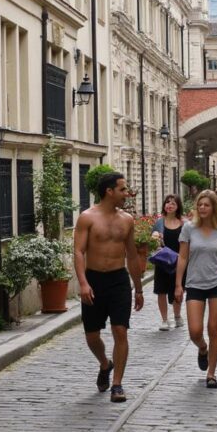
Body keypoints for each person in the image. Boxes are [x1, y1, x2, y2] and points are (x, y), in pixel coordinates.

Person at [73, 173, 144, 403]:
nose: (127, 194)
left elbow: (132, 255)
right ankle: (105, 363)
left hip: (119, 280)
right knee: (92, 335)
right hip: (94, 280)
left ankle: (117, 384)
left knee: (120, 330)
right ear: (109, 191)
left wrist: (138, 289)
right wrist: (83, 283)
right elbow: (78, 251)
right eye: (122, 189)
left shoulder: (127, 220)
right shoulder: (87, 217)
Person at [174, 190, 217, 389]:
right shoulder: (189, 228)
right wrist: (178, 284)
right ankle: (202, 348)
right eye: (200, 205)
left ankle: (211, 373)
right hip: (195, 283)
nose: (202, 208)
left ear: (214, 207)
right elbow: (182, 257)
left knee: (214, 329)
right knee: (195, 331)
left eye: (206, 205)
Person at [151, 194, 185, 331]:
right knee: (161, 291)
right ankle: (164, 319)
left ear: (178, 207)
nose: (169, 205)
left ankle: (177, 315)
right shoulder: (159, 222)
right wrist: (156, 240)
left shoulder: (183, 224)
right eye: (167, 202)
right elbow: (153, 244)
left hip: (179, 262)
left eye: (173, 203)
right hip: (162, 262)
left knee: (178, 290)